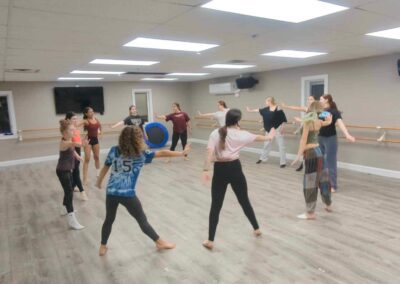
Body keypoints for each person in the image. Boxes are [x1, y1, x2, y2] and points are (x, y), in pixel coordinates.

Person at [96, 126, 191, 256]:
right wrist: (182, 153)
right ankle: (159, 242)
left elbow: (105, 168)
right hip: (127, 194)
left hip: (111, 192)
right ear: (138, 139)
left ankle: (102, 246)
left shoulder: (114, 150)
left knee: (109, 219)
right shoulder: (141, 155)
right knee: (142, 220)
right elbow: (163, 153)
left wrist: (99, 181)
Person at [202, 109, 275, 250]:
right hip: (235, 169)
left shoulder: (215, 133)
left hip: (220, 170)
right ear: (237, 121)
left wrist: (206, 170)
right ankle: (257, 228)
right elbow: (266, 138)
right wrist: (271, 132)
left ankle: (210, 240)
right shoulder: (242, 134)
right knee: (244, 201)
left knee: (216, 206)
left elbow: (209, 152)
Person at [291, 102, 333, 220]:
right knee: (324, 180)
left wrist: (298, 156)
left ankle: (310, 213)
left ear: (310, 109)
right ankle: (328, 204)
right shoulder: (318, 122)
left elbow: (303, 140)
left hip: (311, 154)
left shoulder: (308, 123)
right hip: (319, 152)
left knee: (310, 183)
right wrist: (330, 120)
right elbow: (327, 122)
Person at [319, 94, 356, 193]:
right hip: (320, 138)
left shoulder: (334, 112)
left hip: (330, 139)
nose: (320, 101)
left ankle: (333, 185)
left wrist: (347, 135)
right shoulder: (321, 112)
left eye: (321, 99)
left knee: (331, 162)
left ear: (326, 100)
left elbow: (340, 123)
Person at [56, 119, 87, 229]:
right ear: (64, 132)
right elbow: (73, 144)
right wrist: (82, 144)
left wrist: (77, 155)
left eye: (74, 129)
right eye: (71, 130)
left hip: (67, 170)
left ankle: (65, 208)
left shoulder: (68, 139)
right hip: (62, 171)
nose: (74, 131)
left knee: (68, 190)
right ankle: (72, 220)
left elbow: (72, 148)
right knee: (69, 192)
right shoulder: (64, 142)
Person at [246, 97, 287, 167]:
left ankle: (283, 162)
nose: (265, 102)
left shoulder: (278, 108)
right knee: (266, 145)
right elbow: (258, 110)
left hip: (277, 129)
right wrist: (250, 110)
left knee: (281, 146)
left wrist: (283, 128)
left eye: (266, 101)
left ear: (270, 101)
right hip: (269, 130)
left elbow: (283, 119)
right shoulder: (266, 109)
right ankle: (262, 158)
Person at [281, 95, 317, 171]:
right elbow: (296, 107)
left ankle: (310, 166)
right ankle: (303, 164)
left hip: (312, 133)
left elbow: (314, 120)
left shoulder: (317, 110)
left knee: (310, 149)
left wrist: (301, 120)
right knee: (304, 148)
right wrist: (286, 106)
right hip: (305, 131)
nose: (309, 101)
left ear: (315, 101)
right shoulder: (307, 109)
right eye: (308, 99)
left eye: (311, 99)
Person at [65, 112, 89, 201]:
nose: (76, 120)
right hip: (72, 154)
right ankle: (82, 191)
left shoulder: (76, 129)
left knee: (75, 171)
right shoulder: (68, 131)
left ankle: (72, 186)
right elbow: (71, 145)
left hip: (78, 152)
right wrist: (77, 155)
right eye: (73, 119)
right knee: (76, 172)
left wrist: (83, 142)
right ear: (68, 120)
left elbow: (78, 143)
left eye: (76, 118)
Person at [81, 107, 102, 185]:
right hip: (88, 141)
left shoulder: (96, 119)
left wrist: (100, 133)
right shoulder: (85, 121)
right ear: (86, 114)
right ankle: (85, 178)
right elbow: (76, 126)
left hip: (95, 140)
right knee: (87, 159)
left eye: (92, 111)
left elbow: (100, 126)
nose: (92, 113)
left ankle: (98, 174)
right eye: (90, 112)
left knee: (97, 157)